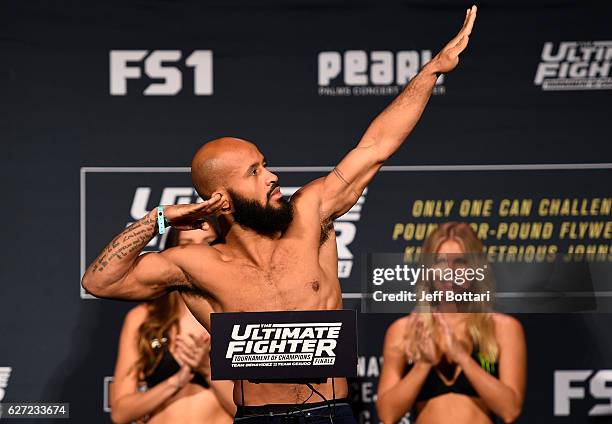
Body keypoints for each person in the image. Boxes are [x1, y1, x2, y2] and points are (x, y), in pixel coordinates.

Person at [82, 7, 478, 422]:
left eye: (265, 164)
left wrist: (432, 70)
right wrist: (158, 219)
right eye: (255, 172)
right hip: (258, 416)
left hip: (331, 412)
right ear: (222, 197)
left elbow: (376, 147)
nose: (272, 176)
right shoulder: (195, 263)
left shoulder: (310, 214)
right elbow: (98, 280)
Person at [376, 223, 527, 424]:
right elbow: (387, 414)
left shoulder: (503, 328)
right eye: (440, 261)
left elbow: (510, 410)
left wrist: (463, 358)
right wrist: (424, 364)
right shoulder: (404, 330)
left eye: (460, 262)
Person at [110, 226, 235, 424]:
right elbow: (120, 413)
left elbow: (251, 410)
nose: (198, 252)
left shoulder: (237, 318)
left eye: (208, 242)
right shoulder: (143, 319)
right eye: (187, 244)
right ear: (170, 253)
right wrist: (176, 381)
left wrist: (207, 370)